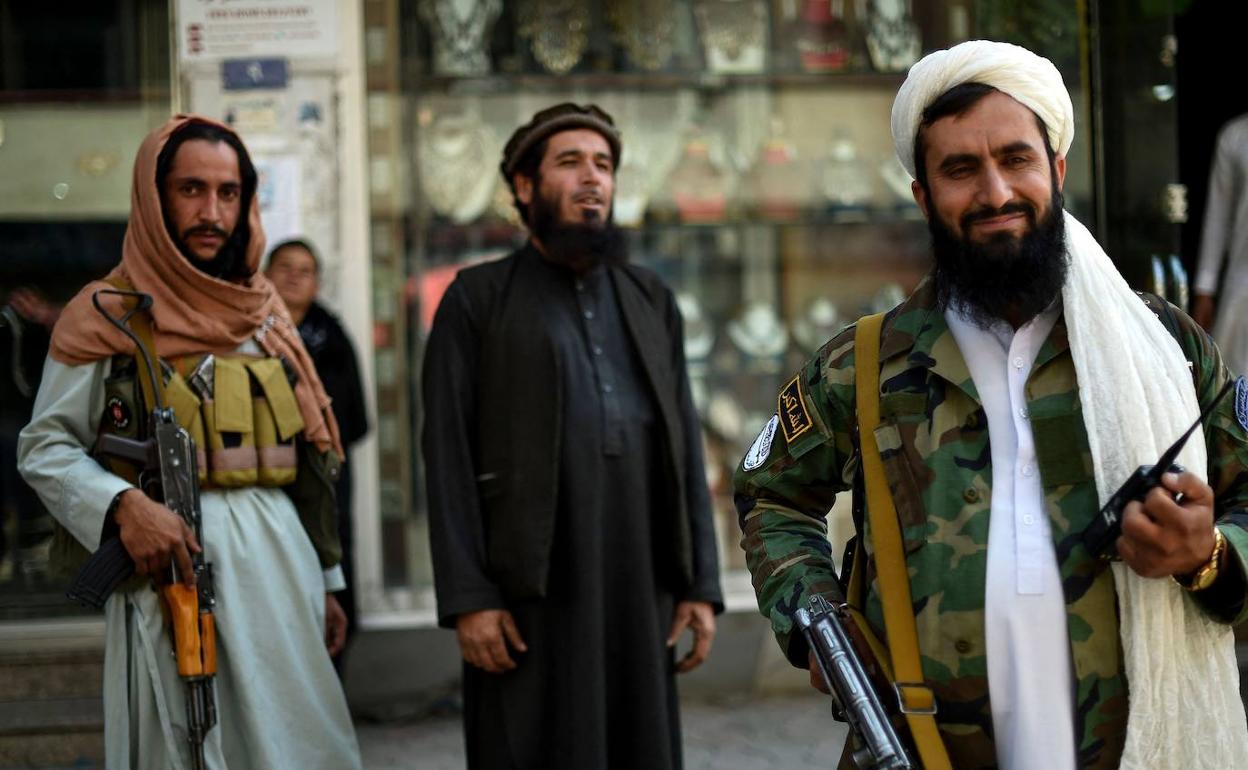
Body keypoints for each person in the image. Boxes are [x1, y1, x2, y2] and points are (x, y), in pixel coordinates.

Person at [734, 41, 1248, 770]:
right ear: (922, 196)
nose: (996, 192)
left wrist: (1209, 556)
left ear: (1057, 169)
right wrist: (818, 623)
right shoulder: (865, 364)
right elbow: (770, 496)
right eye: (960, 170)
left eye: (1016, 159)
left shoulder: (1163, 349)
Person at [18, 114, 362, 769]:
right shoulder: (106, 314)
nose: (212, 212)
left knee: (302, 744)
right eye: (190, 190)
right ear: (154, 197)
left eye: (228, 193)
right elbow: (44, 447)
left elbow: (308, 462)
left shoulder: (263, 312)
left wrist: (328, 578)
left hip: (283, 572)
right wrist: (123, 504)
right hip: (166, 582)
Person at [422, 103, 724, 769]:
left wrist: (700, 583)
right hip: (530, 600)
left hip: (639, 583)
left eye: (604, 165)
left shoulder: (650, 299)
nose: (593, 178)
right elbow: (445, 456)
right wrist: (470, 600)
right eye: (570, 163)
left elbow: (682, 445)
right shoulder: (476, 299)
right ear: (525, 188)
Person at [266, 238, 370, 675]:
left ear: (318, 283)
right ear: (265, 276)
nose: (293, 276)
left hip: (325, 481)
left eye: (304, 270)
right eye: (284, 267)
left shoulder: (333, 337)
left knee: (330, 573)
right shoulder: (244, 333)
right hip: (264, 481)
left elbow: (357, 419)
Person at [1193, 112, 1248, 375]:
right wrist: (1206, 290)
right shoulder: (1235, 137)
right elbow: (1218, 215)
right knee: (1233, 386)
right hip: (1242, 287)